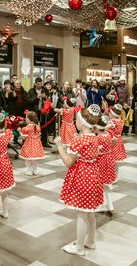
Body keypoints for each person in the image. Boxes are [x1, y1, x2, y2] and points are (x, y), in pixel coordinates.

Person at [53, 104, 102, 256]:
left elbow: (68, 162)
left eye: (77, 119)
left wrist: (59, 145)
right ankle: (90, 241)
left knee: (81, 214)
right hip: (93, 176)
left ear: (82, 123)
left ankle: (79, 248)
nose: (75, 121)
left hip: (82, 177)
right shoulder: (95, 138)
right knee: (90, 212)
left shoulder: (79, 141)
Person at [94, 115, 116, 214]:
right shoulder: (108, 134)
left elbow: (96, 151)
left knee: (99, 184)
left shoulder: (98, 138)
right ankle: (110, 205)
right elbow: (110, 144)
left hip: (101, 162)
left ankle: (99, 204)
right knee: (106, 184)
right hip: (109, 160)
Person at [19, 111, 46, 175]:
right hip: (36, 143)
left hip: (28, 144)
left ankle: (29, 171)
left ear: (29, 119)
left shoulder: (26, 128)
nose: (25, 119)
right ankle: (35, 170)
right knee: (34, 159)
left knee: (27, 159)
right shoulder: (37, 126)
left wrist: (19, 131)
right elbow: (39, 135)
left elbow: (23, 137)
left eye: (26, 118)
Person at [27, 77, 51, 148]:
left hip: (44, 110)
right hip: (35, 111)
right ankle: (34, 142)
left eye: (41, 84)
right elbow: (29, 101)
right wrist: (37, 97)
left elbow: (49, 99)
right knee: (35, 126)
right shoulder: (31, 91)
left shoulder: (45, 90)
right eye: (38, 84)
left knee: (44, 126)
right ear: (35, 84)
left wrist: (45, 97)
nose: (40, 85)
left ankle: (44, 142)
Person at [107, 104, 126, 182]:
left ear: (112, 114)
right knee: (116, 161)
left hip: (112, 141)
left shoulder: (112, 122)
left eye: (110, 113)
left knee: (111, 160)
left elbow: (105, 128)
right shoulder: (121, 121)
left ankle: (112, 176)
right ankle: (116, 176)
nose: (109, 114)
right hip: (119, 140)